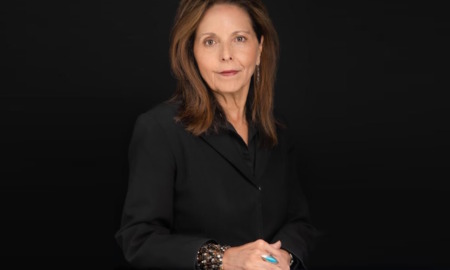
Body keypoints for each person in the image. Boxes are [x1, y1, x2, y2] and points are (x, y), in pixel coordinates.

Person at [115, 0, 318, 269]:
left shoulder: (277, 128)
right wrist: (223, 258)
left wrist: (285, 256)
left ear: (259, 48)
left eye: (240, 39)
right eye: (210, 42)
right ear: (192, 52)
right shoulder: (158, 129)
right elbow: (138, 240)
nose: (226, 55)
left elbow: (299, 223)